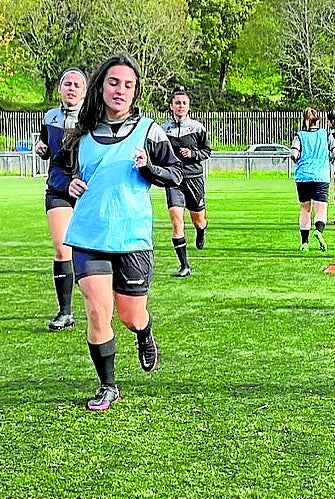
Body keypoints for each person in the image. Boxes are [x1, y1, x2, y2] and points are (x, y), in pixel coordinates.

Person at [64, 53, 183, 411]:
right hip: (88, 235)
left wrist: (150, 169)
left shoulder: (150, 131)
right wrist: (68, 182)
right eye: (114, 82)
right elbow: (60, 173)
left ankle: (144, 333)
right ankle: (108, 385)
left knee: (130, 315)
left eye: (128, 85)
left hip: (132, 238)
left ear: (135, 92)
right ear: (100, 86)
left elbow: (176, 175)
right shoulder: (80, 133)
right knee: (98, 311)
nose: (120, 90)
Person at [35, 68, 87, 331]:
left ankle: (103, 301)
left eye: (77, 85)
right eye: (68, 83)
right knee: (61, 248)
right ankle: (65, 312)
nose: (72, 88)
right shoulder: (50, 117)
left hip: (87, 189)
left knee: (95, 250)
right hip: (58, 187)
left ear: (85, 92)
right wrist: (41, 149)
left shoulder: (92, 119)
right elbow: (47, 148)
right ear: (59, 88)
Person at [161, 86, 212, 278]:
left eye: (184, 103)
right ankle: (184, 265)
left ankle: (201, 230)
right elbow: (158, 152)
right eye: (177, 103)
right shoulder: (164, 129)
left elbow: (207, 151)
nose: (180, 106)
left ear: (188, 106)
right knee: (176, 221)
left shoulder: (197, 128)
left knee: (198, 220)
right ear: (171, 106)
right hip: (174, 179)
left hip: (194, 178)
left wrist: (193, 154)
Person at [290, 108, 335, 251]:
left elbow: (294, 153)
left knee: (305, 208)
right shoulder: (325, 134)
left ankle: (304, 243)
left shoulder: (299, 135)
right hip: (321, 176)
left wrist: (299, 160)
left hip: (303, 176)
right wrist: (327, 158)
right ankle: (319, 230)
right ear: (318, 120)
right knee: (321, 209)